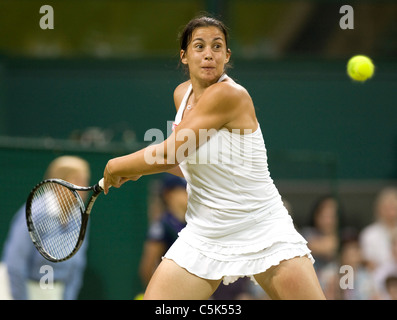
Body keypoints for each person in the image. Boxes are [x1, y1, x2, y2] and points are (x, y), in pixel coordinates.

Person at [102, 15, 325, 300]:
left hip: (262, 226)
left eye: (217, 47)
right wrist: (140, 170)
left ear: (227, 55)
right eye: (199, 46)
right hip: (205, 232)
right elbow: (192, 160)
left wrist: (115, 165)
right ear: (184, 56)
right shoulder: (181, 95)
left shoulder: (230, 95)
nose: (209, 54)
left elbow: (171, 150)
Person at [2, 156, 90, 300]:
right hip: (27, 292)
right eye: (78, 180)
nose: (84, 187)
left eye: (85, 181)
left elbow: (77, 266)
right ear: (59, 183)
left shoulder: (80, 217)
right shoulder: (35, 213)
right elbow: (15, 265)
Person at [139, 174, 187, 286]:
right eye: (183, 190)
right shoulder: (162, 225)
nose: (188, 193)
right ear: (169, 194)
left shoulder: (191, 223)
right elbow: (147, 267)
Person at [359, 187, 397, 270]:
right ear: (379, 209)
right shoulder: (369, 234)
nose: (391, 212)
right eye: (387, 208)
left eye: (394, 207)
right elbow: (369, 263)